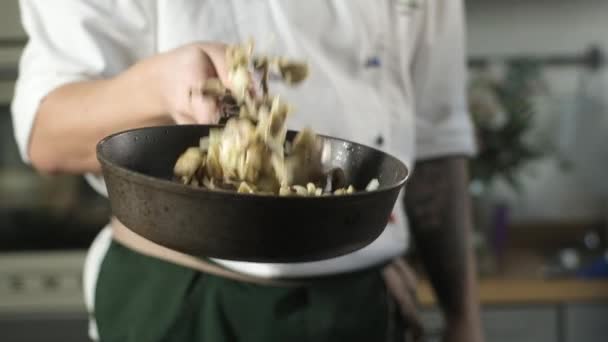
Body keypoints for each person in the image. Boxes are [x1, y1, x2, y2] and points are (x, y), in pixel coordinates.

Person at [12, 1, 483, 341]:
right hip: (186, 299)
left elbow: (437, 138)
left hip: (363, 302)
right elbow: (47, 135)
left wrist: (464, 318)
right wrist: (159, 87)